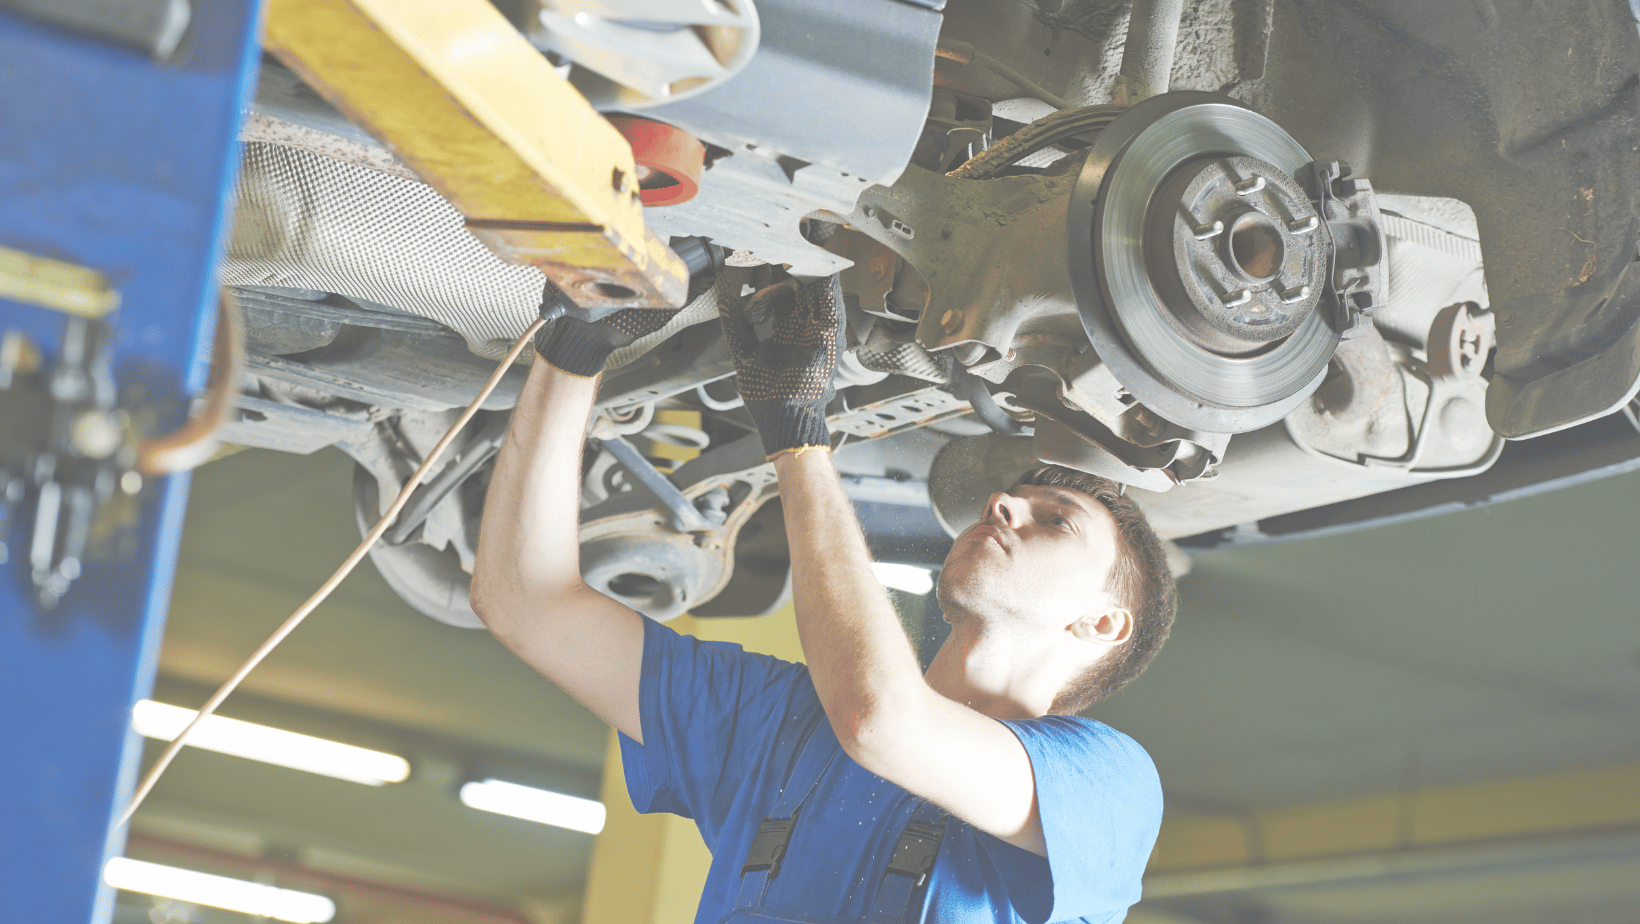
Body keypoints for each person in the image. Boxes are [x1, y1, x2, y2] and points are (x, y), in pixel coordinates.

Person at [471, 273, 1178, 923]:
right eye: (1012, 497)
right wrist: (574, 348)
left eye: (1056, 520)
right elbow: (527, 604)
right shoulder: (777, 723)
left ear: (1102, 623)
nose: (1001, 505)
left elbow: (879, 720)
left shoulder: (1105, 784)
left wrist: (800, 441)